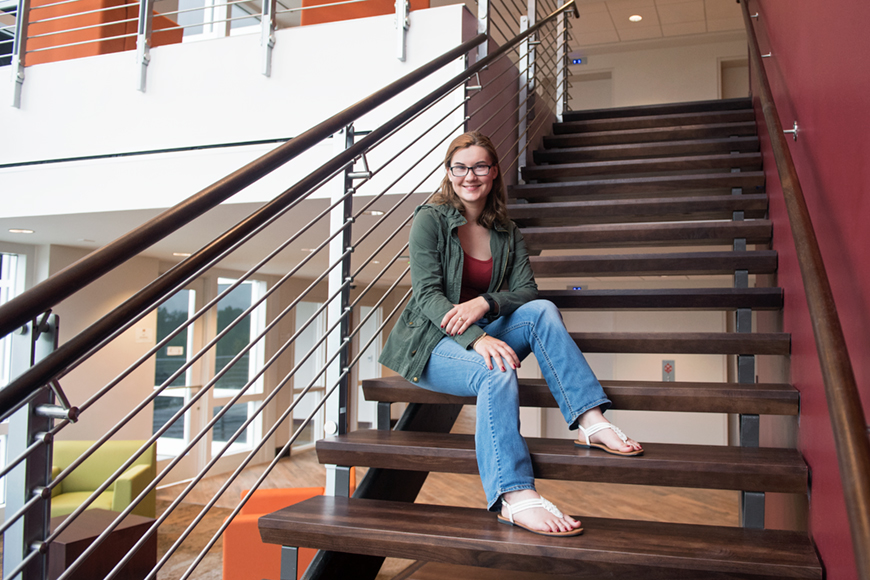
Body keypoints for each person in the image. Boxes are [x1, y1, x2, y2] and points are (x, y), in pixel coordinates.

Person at [379, 131, 642, 537]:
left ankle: (590, 419)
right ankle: (514, 496)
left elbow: (526, 292)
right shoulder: (430, 219)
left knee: (542, 311)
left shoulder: (507, 230)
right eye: (459, 167)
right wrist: (477, 339)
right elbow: (427, 295)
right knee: (495, 369)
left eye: (479, 166)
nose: (469, 176)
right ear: (448, 172)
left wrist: (485, 303)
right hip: (431, 345)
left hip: (485, 326)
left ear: (494, 171)